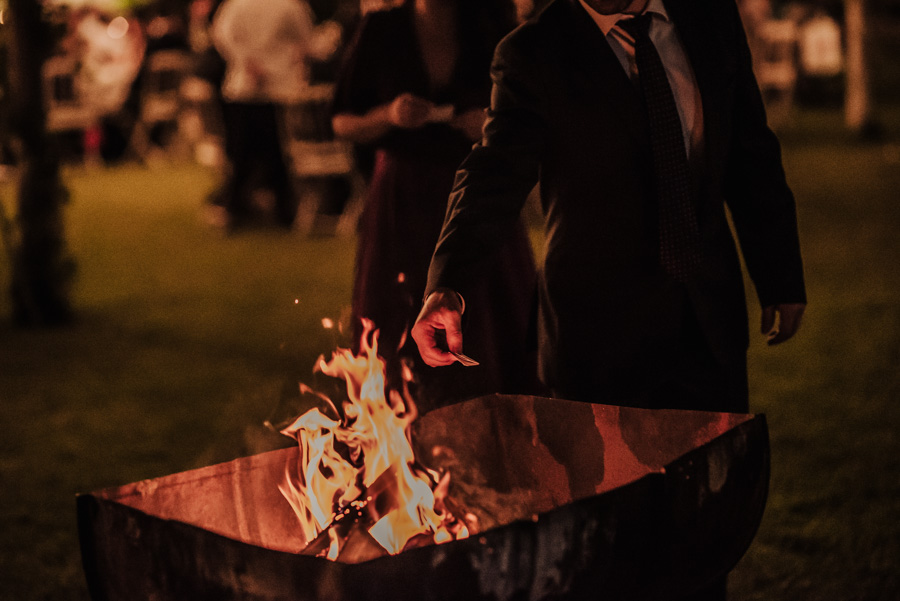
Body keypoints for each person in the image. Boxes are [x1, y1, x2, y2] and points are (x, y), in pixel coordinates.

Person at [411, 0, 806, 596]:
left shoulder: (708, 17)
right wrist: (449, 283)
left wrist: (779, 274)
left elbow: (749, 149)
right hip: (598, 333)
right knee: (607, 549)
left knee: (704, 532)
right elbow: (493, 172)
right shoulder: (534, 52)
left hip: (705, 320)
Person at [330, 0, 538, 411]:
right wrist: (389, 115)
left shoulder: (491, 25)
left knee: (493, 310)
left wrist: (492, 122)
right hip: (404, 195)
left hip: (479, 190)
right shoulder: (383, 28)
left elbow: (532, 112)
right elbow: (341, 121)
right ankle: (404, 414)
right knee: (399, 308)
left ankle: (499, 413)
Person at [211, 0, 315, 229]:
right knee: (278, 154)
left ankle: (237, 206)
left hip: (244, 88)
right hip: (280, 88)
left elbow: (221, 35)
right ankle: (282, 210)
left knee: (242, 154)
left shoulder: (236, 5)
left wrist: (245, 61)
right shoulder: (290, 6)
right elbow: (306, 40)